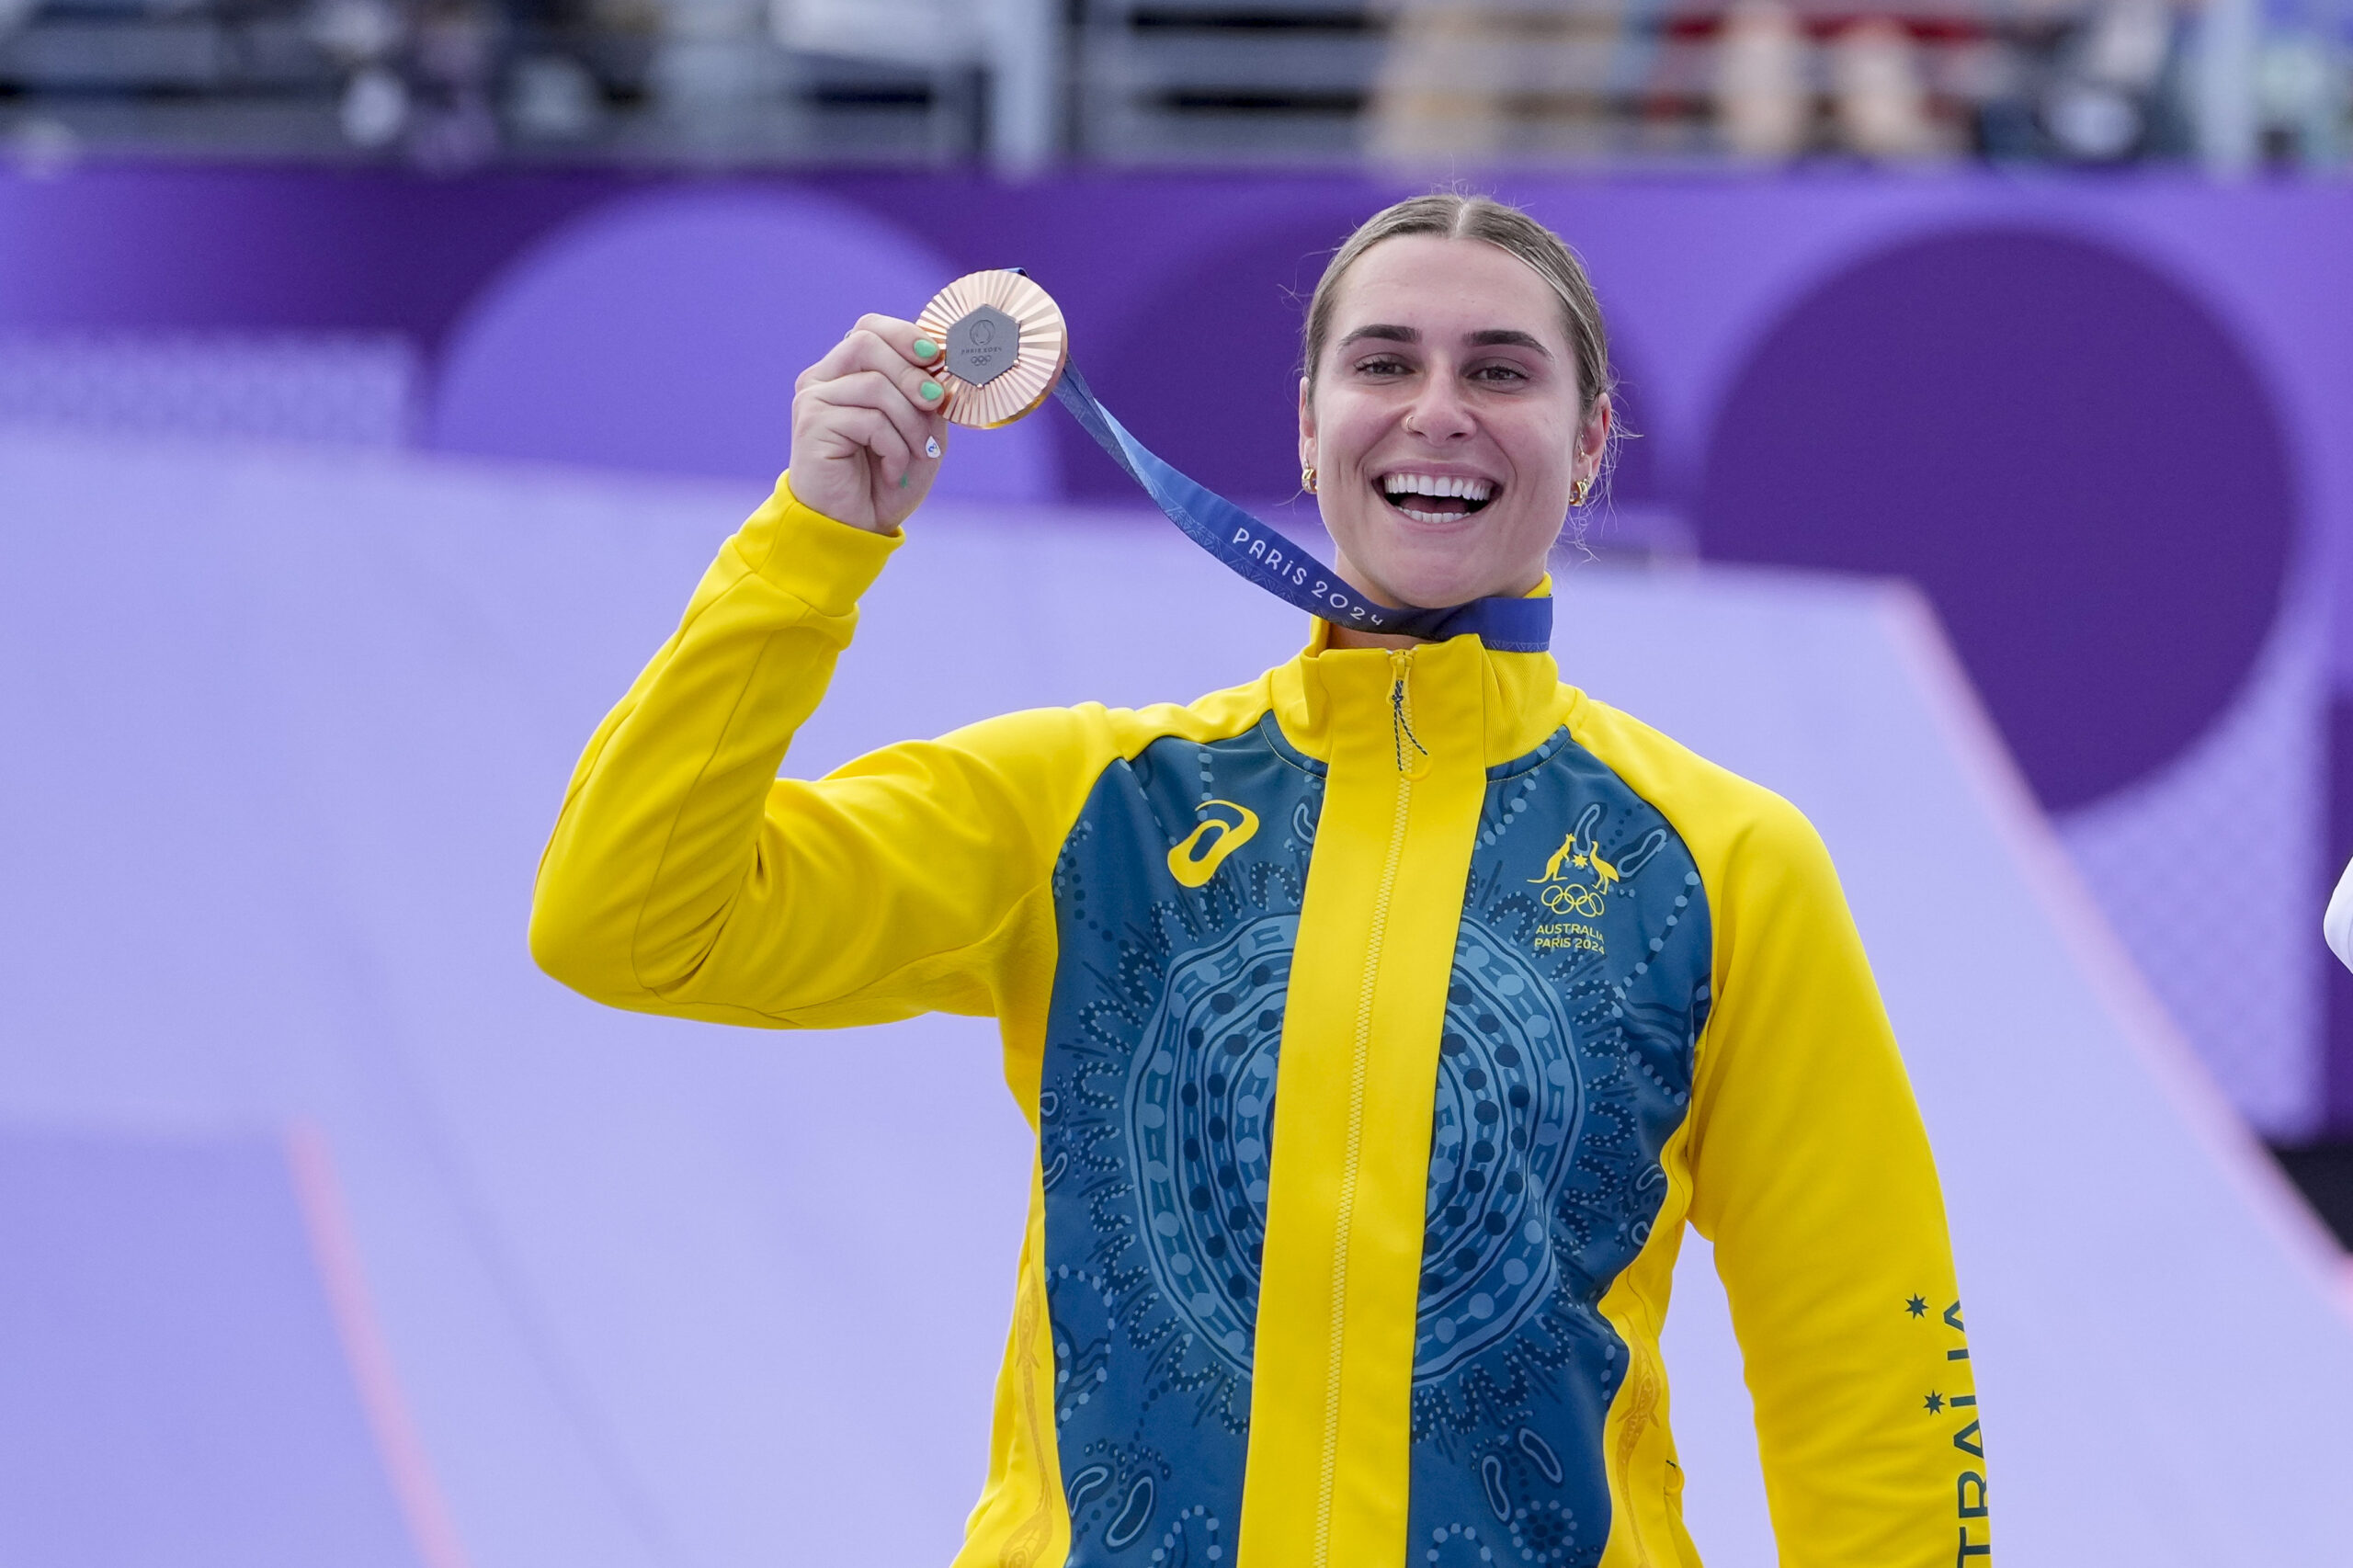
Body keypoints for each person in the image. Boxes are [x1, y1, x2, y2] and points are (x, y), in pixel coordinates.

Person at [529, 193, 1986, 1568]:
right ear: (1307, 427)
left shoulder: (1719, 865)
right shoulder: (1089, 805)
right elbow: (630, 918)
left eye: (1501, 369)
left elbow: (1867, 1353)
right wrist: (813, 545)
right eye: (1383, 361)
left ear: (1590, 440)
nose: (1437, 410)